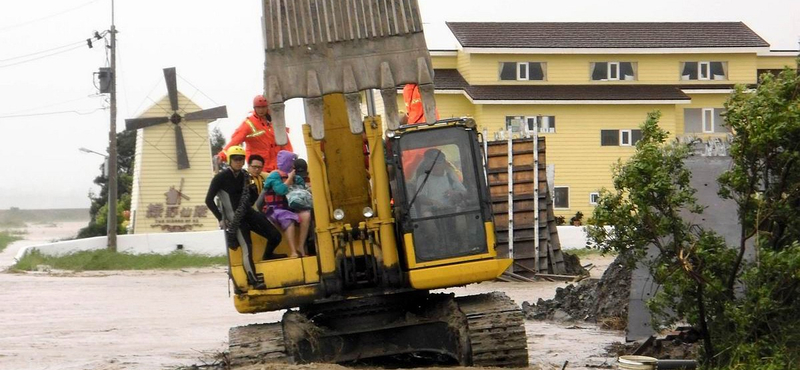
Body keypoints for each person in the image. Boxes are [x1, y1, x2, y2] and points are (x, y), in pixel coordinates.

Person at [205, 146, 284, 290]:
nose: (239, 162)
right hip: (235, 219)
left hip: (248, 212)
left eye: (241, 159)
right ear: (230, 160)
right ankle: (253, 280)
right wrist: (220, 218)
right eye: (236, 159)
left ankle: (268, 255)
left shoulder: (244, 176)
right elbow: (209, 200)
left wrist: (254, 192)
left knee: (275, 235)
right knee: (247, 248)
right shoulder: (220, 178)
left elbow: (251, 199)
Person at [218, 95, 293, 171]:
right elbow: (235, 141)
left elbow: (285, 142)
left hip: (277, 166)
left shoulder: (275, 121)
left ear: (267, 107)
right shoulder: (248, 124)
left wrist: (291, 159)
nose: (261, 110)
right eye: (259, 107)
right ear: (254, 108)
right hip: (259, 167)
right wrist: (222, 155)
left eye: (263, 107)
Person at [260, 150, 313, 258]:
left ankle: (301, 246)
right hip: (274, 209)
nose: (293, 166)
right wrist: (289, 179)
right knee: (288, 218)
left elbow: (302, 187)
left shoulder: (295, 177)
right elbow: (281, 190)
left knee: (306, 215)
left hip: (289, 207)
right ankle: (293, 251)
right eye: (292, 163)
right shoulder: (274, 176)